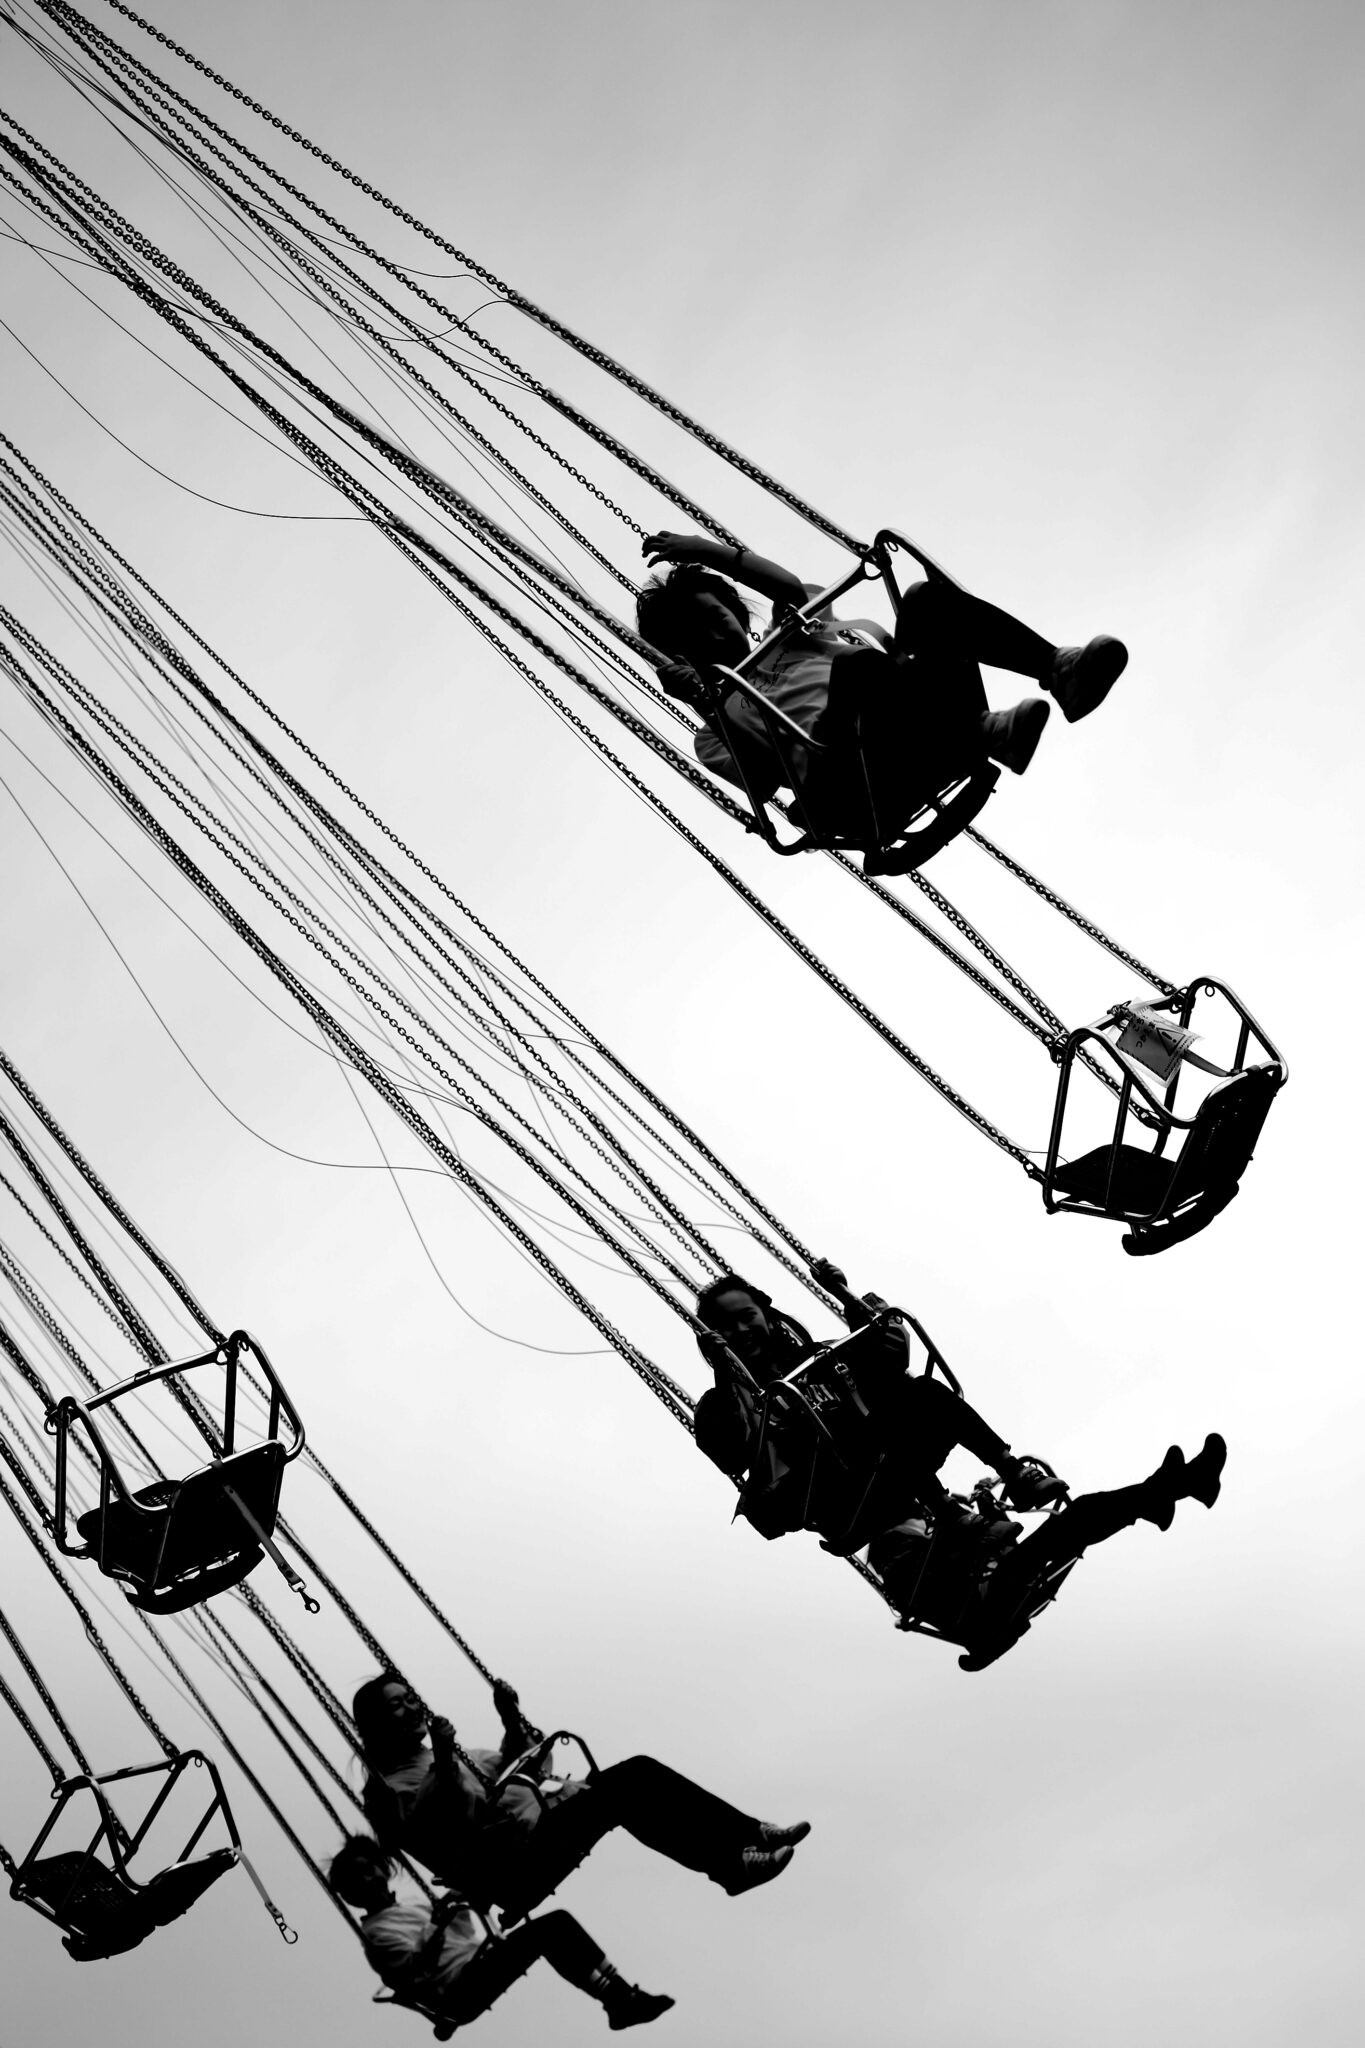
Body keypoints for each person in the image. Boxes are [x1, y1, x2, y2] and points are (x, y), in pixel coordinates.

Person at [636, 532, 1126, 848]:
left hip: (907, 723)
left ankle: (1058, 673)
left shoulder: (791, 633)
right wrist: (706, 701)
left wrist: (704, 551)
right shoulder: (714, 728)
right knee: (857, 669)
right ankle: (981, 732)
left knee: (924, 601)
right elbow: (762, 781)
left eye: (715, 615)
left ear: (737, 612)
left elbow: (786, 586)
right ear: (681, 655)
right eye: (693, 636)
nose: (712, 633)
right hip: (851, 782)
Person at [353, 1673, 810, 1923]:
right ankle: (735, 1860)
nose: (413, 1707)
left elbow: (519, 1765)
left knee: (637, 1784)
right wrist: (444, 1760)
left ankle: (746, 1843)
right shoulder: (387, 1786)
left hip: (535, 1832)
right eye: (397, 1704)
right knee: (631, 1780)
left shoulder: (448, 1755)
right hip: (509, 1861)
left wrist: (511, 1720)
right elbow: (439, 1819)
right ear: (377, 1722)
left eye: (411, 1697)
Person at [693, 1262, 1064, 1551]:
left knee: (921, 1391)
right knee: (858, 1428)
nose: (741, 1330)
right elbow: (729, 1454)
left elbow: (886, 1362)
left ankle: (1011, 1474)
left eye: (747, 1317)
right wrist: (726, 1372)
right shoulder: (723, 1402)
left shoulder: (821, 1358)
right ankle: (948, 1513)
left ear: (766, 1316)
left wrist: (848, 1300)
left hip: (881, 1466)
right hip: (833, 1497)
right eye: (725, 1327)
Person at [870, 1433, 1228, 1670]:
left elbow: (993, 1546)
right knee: (1080, 1517)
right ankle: (1170, 1489)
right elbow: (947, 1577)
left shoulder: (922, 1541)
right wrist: (973, 1526)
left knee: (1079, 1519)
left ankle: (1163, 1493)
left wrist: (986, 1512)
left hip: (994, 1588)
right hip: (985, 1609)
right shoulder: (896, 1554)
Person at [329, 1834, 673, 2032]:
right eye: (359, 1877)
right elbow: (417, 1967)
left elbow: (459, 1929)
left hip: (475, 1964)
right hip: (458, 1989)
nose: (371, 1877)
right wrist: (441, 1917)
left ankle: (619, 1997)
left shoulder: (411, 1905)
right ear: (348, 1894)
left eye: (371, 1868)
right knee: (552, 1927)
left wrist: (462, 1902)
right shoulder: (376, 1935)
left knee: (556, 1927)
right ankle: (620, 1999)